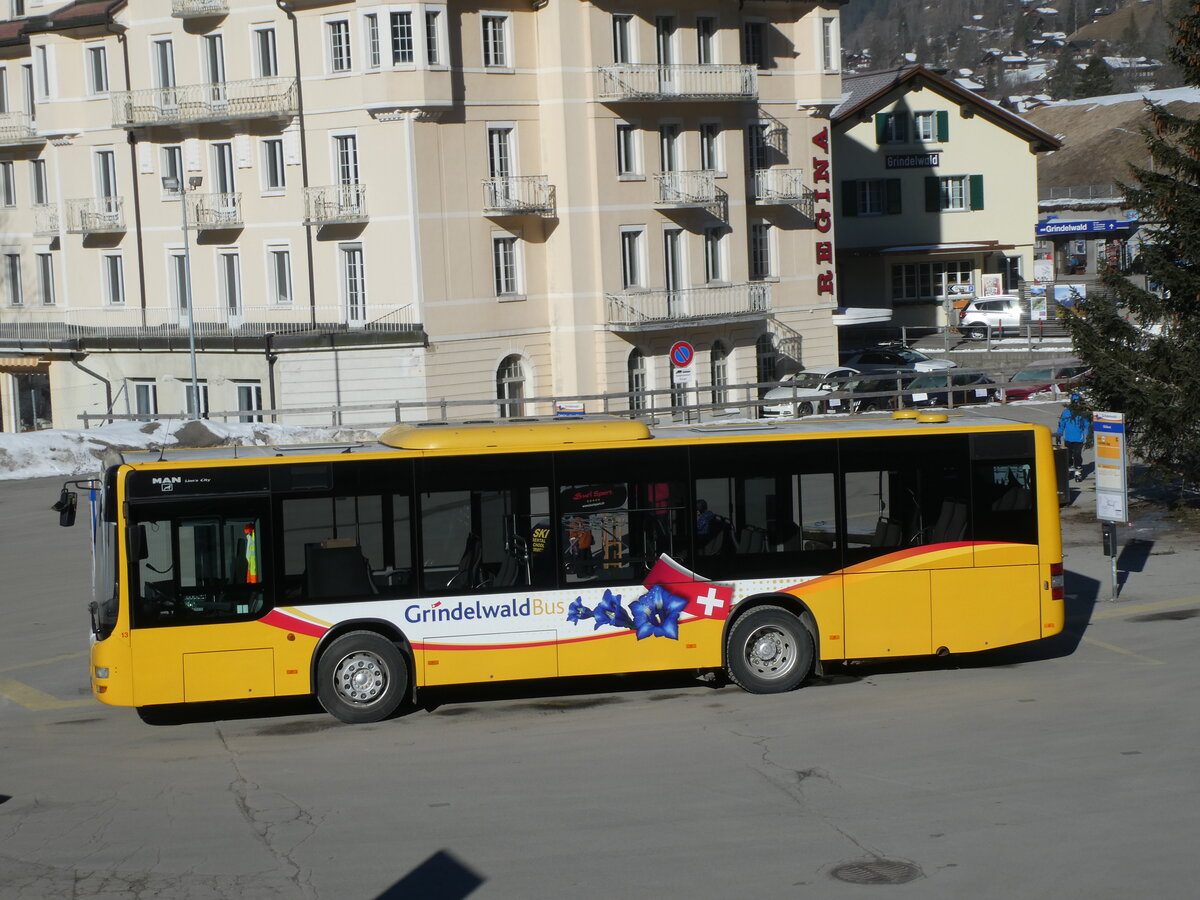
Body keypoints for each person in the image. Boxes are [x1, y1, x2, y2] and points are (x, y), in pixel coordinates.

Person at [1056, 393, 1093, 482]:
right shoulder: (1066, 412)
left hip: (1078, 439)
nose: (1076, 404)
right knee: (1068, 456)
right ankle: (1069, 468)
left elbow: (1087, 426)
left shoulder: (1082, 414)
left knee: (1077, 455)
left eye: (1078, 402)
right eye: (1074, 402)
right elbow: (1062, 424)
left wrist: (1089, 437)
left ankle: (1078, 471)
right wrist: (1058, 434)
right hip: (1068, 438)